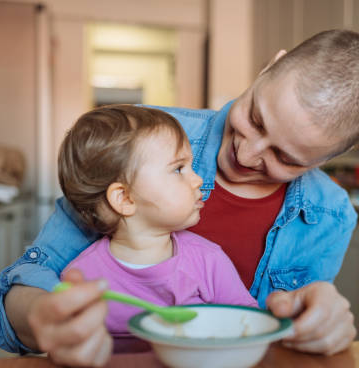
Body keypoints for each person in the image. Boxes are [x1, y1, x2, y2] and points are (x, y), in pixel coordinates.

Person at [0, 29, 359, 368]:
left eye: (285, 158)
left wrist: (316, 324)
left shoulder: (329, 215)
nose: (247, 154)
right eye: (254, 118)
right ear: (268, 67)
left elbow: (276, 345)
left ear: (331, 156)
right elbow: (24, 290)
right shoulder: (141, 141)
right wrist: (43, 318)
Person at [57, 105, 258, 355]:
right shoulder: (80, 278)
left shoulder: (209, 259)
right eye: (178, 169)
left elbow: (251, 326)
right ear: (125, 198)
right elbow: (64, 351)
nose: (197, 180)